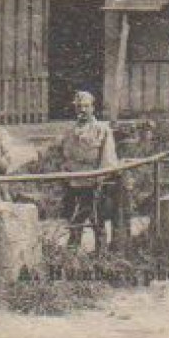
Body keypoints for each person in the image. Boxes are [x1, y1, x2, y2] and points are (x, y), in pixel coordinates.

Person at [55, 91, 120, 244]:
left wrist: (100, 180)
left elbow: (108, 158)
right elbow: (64, 156)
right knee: (73, 221)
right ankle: (73, 255)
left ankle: (101, 255)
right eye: (79, 107)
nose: (82, 110)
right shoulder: (70, 131)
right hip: (73, 182)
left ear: (92, 108)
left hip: (93, 182)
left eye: (86, 106)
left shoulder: (101, 130)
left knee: (96, 221)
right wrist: (65, 173)